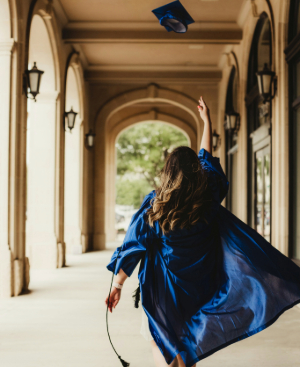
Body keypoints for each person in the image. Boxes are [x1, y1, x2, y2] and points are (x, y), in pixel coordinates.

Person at [105, 97, 300, 367]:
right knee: (188, 346)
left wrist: (117, 285)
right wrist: (206, 121)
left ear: (168, 173)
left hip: (165, 288)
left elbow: (133, 246)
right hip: (198, 287)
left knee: (161, 340)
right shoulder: (207, 197)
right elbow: (206, 159)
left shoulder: (156, 206)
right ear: (197, 173)